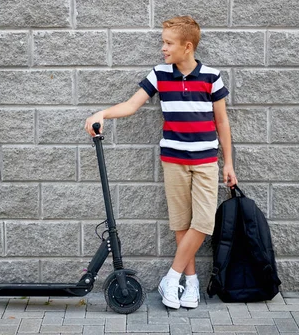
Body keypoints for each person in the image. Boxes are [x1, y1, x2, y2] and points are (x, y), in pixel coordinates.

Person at [84, 16, 237, 309]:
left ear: (187, 46)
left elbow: (222, 122)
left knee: (203, 223)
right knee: (181, 223)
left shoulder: (211, 77)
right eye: (163, 42)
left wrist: (228, 164)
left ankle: (172, 276)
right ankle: (189, 284)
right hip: (173, 160)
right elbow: (131, 105)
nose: (163, 48)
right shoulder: (159, 74)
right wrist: (103, 113)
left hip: (206, 161)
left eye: (168, 43)